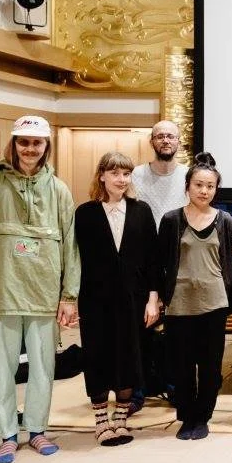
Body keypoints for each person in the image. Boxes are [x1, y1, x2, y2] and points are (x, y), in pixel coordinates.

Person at [0, 115, 80, 463]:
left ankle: (38, 430)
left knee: (43, 367)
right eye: (23, 142)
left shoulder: (58, 189)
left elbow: (71, 246)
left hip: (44, 293)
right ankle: (7, 434)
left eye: (36, 142)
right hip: (1, 291)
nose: (30, 149)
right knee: (2, 368)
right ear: (13, 144)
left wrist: (69, 295)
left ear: (46, 146)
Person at [74, 152, 161, 447]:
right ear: (102, 176)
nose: (121, 180)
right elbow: (76, 260)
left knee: (130, 357)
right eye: (114, 173)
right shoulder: (85, 213)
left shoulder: (141, 211)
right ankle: (101, 420)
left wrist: (153, 299)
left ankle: (121, 419)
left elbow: (152, 260)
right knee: (97, 357)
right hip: (94, 300)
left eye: (126, 174)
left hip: (134, 299)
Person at [160, 153, 232, 441]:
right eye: (199, 185)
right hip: (179, 302)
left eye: (210, 186)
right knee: (181, 365)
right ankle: (186, 416)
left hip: (214, 303)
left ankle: (203, 416)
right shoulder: (171, 220)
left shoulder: (224, 220)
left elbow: (229, 262)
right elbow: (159, 263)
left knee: (210, 365)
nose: (204, 191)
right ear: (188, 186)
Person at [130, 120, 188, 412]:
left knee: (176, 331)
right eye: (160, 136)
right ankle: (137, 390)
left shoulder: (189, 175)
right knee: (141, 328)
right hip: (141, 261)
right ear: (152, 141)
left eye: (171, 136)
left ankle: (175, 386)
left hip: (178, 260)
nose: (166, 140)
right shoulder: (136, 175)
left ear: (179, 141)